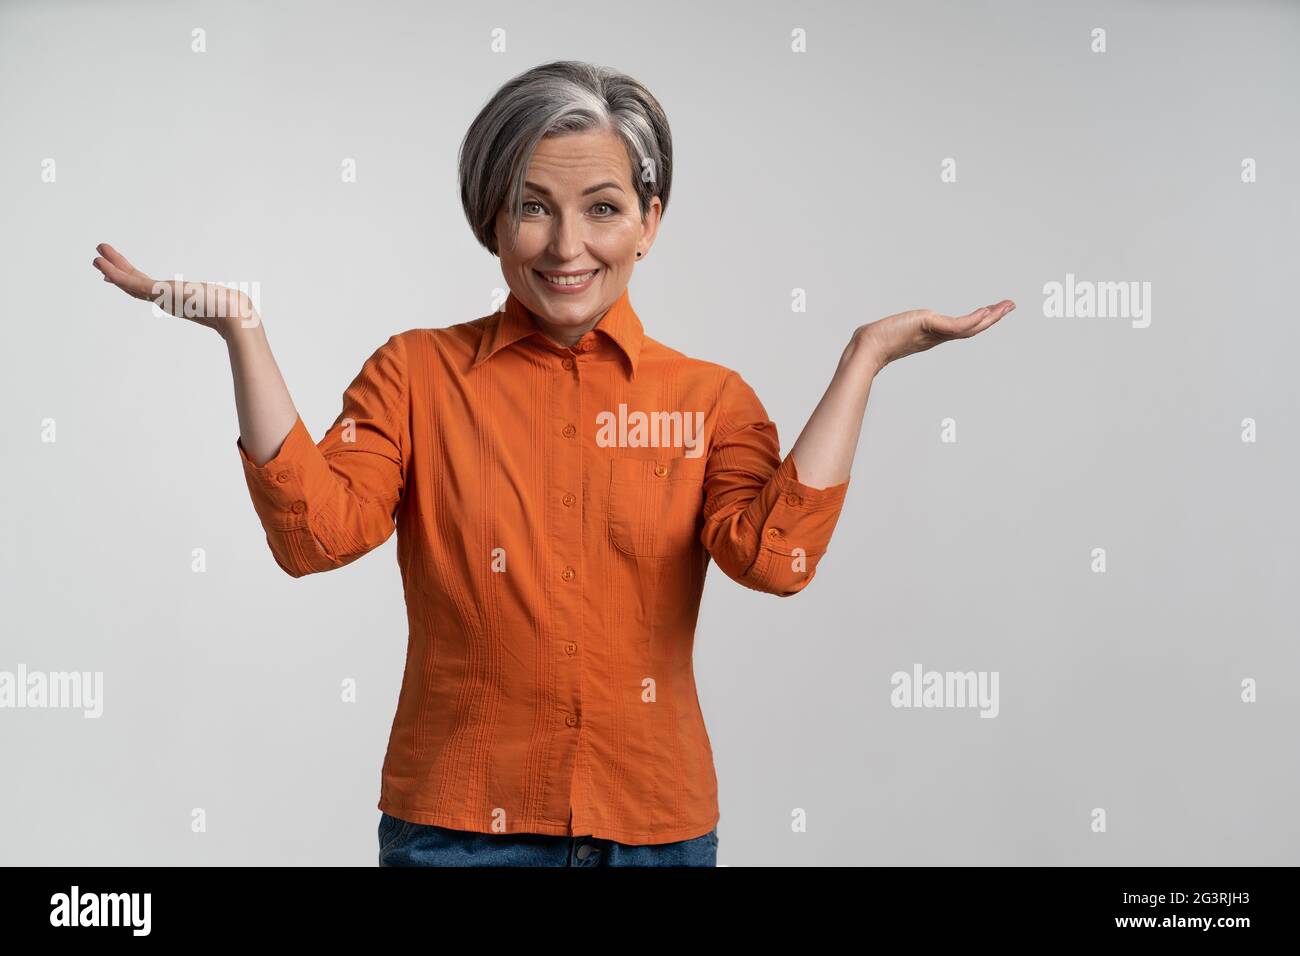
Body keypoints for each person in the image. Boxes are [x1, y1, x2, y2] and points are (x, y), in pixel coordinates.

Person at [92, 59, 1013, 867]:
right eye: (534, 207)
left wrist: (865, 360)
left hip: (654, 830)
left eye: (603, 209)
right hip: (454, 834)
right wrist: (242, 334)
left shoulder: (709, 401)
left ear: (648, 222)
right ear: (492, 221)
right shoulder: (416, 373)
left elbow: (775, 561)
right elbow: (315, 539)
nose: (568, 247)